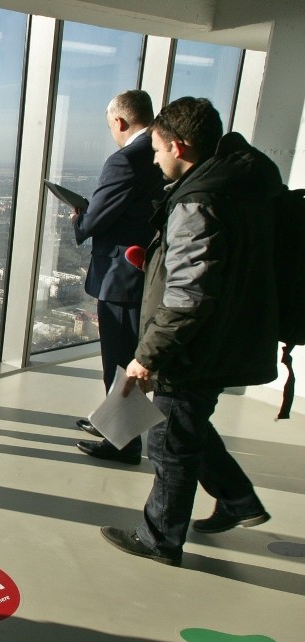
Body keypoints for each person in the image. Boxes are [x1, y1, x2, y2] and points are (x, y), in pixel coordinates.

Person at [101, 97, 281, 566]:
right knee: (189, 422)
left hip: (194, 346)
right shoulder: (242, 185)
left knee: (169, 440)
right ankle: (238, 500)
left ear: (179, 145)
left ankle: (159, 538)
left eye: (158, 150)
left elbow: (188, 296)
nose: (156, 159)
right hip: (232, 335)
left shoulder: (197, 199)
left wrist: (147, 355)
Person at [72, 90, 164, 465]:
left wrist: (80, 219)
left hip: (121, 274)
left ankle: (122, 444)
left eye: (110, 125)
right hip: (147, 271)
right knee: (128, 355)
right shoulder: (161, 155)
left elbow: (97, 218)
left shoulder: (126, 159)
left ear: (121, 122)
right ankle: (111, 422)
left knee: (120, 358)